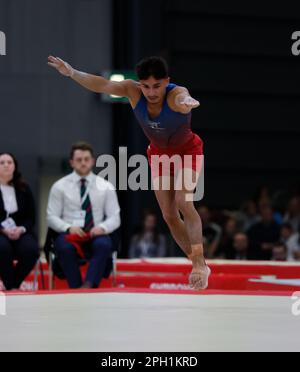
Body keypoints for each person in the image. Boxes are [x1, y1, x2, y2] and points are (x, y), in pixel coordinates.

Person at [48, 55, 210, 290]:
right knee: (169, 215)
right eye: (146, 86)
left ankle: (198, 265)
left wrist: (187, 102)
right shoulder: (132, 91)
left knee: (184, 203)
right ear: (139, 83)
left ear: (167, 82)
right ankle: (198, 262)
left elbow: (183, 96)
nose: (151, 92)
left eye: (157, 86)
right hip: (158, 154)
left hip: (188, 152)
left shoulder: (176, 95)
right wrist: (73, 72)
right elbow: (101, 85)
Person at [47, 142, 121, 289]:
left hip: (95, 233)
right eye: (79, 159)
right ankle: (76, 288)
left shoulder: (105, 186)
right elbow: (51, 217)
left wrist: (103, 227)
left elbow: (115, 217)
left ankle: (88, 286)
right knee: (64, 247)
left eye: (86, 159)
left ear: (93, 161)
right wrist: (68, 227)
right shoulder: (59, 186)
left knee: (104, 244)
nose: (83, 163)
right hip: (70, 234)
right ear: (71, 162)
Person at [0, 153, 39, 290]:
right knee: (2, 248)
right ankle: (11, 286)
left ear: (14, 166)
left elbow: (31, 217)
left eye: (9, 162)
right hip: (1, 231)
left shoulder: (24, 188)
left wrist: (21, 229)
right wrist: (3, 230)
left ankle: (13, 284)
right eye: (2, 162)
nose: (6, 165)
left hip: (20, 231)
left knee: (31, 250)